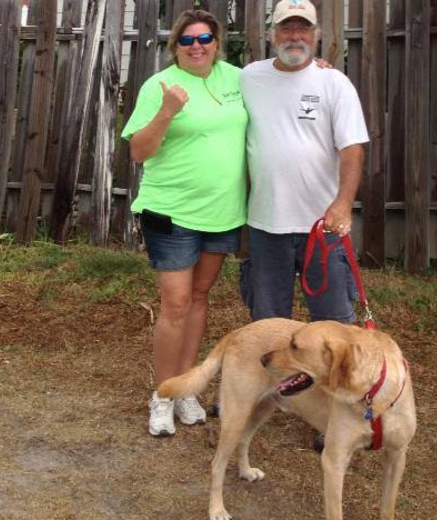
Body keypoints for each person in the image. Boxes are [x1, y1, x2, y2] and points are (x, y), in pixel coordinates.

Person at [121, 10, 247, 437]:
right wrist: (167, 112)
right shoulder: (159, 86)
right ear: (175, 46)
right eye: (187, 40)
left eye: (205, 38)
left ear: (217, 42)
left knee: (198, 297)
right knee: (175, 304)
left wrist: (317, 69)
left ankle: (188, 388)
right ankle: (162, 394)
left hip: (223, 212)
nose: (197, 46)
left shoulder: (237, 80)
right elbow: (139, 151)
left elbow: (282, 82)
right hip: (172, 212)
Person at [240, 0, 369, 326]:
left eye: (303, 28)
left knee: (334, 324)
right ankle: (276, 379)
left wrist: (343, 204)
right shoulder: (248, 78)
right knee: (268, 324)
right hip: (266, 224)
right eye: (286, 27)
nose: (294, 36)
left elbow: (352, 148)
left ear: (317, 35)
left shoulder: (334, 83)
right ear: (272, 35)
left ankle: (332, 379)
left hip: (322, 225)